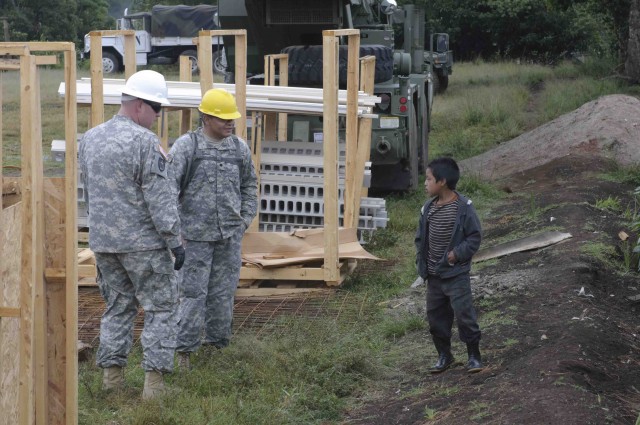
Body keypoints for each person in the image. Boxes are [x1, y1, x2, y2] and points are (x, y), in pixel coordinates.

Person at [79, 69, 185, 399]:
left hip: (105, 245)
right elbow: (159, 197)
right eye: (157, 110)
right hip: (144, 246)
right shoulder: (144, 143)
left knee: (117, 309)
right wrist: (175, 240)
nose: (158, 116)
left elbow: (89, 189)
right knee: (160, 310)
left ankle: (111, 383)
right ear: (140, 105)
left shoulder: (90, 138)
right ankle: (154, 388)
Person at [170, 88, 257, 369]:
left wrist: (244, 220)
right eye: (224, 119)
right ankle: (184, 353)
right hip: (194, 239)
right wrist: (174, 231)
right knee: (192, 295)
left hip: (228, 237)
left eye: (233, 118)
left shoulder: (239, 148)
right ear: (206, 118)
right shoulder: (187, 147)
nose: (231, 123)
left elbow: (249, 186)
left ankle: (218, 348)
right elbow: (168, 190)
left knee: (223, 293)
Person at [414, 157, 484, 374]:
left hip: (456, 274)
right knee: (436, 318)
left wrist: (456, 254)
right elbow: (420, 238)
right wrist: (421, 262)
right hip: (434, 276)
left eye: (428, 179)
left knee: (464, 315)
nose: (425, 183)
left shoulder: (463, 208)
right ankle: (445, 356)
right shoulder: (428, 208)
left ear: (442, 181)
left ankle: (474, 355)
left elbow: (474, 237)